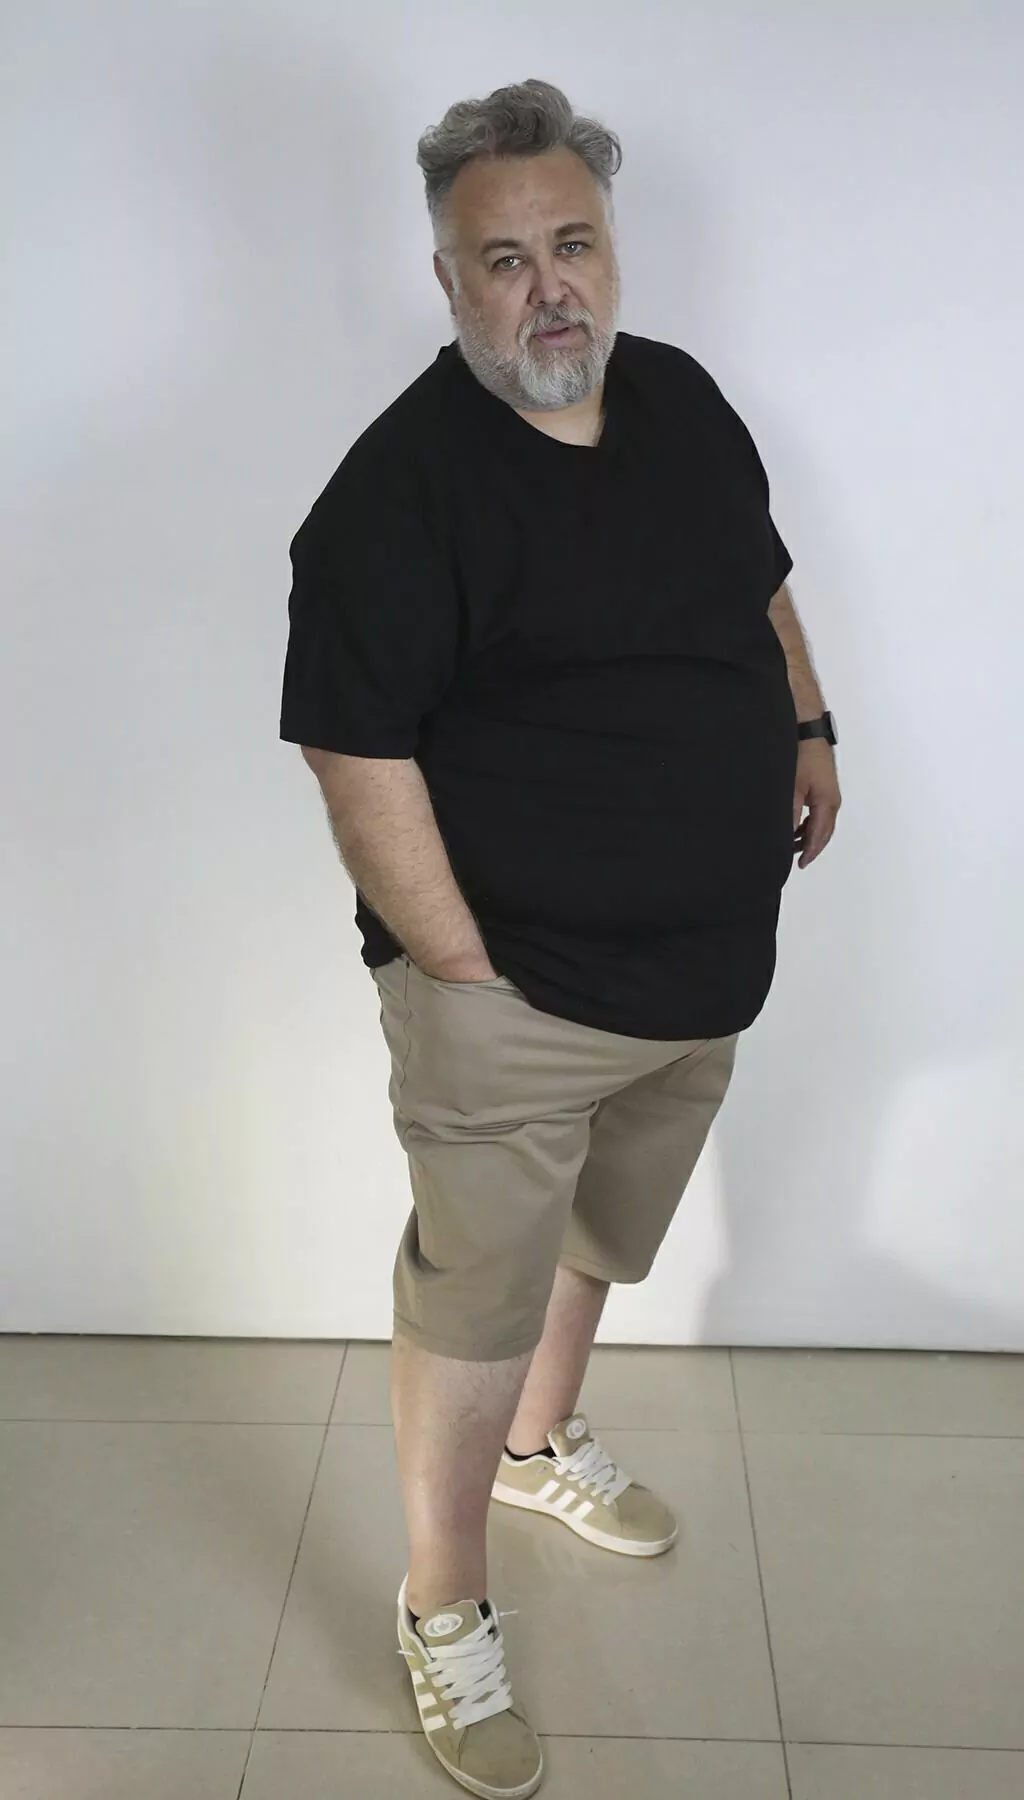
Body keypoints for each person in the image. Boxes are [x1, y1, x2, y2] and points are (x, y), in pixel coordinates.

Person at [279, 77, 841, 1800]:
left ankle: (540, 1445)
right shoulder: (397, 492)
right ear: (449, 281)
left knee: (604, 1229)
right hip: (511, 993)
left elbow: (756, 580)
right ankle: (443, 1603)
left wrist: (810, 726)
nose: (549, 290)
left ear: (611, 246)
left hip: (700, 968)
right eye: (504, 260)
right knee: (476, 1297)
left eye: (571, 244)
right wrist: (460, 970)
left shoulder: (681, 399)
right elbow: (354, 753)